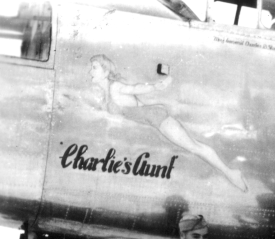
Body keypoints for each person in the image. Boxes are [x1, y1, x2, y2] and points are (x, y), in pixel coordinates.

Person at [89, 54, 249, 193]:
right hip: (150, 123)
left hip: (157, 118)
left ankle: (230, 173)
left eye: (94, 67)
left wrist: (158, 86)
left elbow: (135, 88)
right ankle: (229, 172)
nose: (90, 71)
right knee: (193, 146)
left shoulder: (116, 87)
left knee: (194, 146)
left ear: (106, 72)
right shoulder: (106, 96)